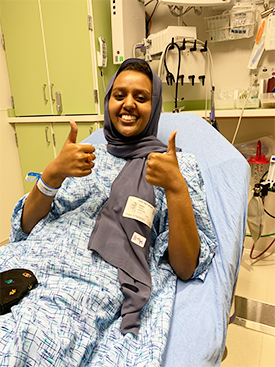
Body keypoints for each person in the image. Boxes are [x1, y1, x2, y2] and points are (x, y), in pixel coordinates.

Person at [1, 58, 217, 365]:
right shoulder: (84, 157)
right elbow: (24, 229)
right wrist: (52, 175)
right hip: (32, 259)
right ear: (108, 102)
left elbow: (185, 266)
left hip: (93, 278)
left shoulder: (174, 166)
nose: (128, 104)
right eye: (119, 95)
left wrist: (176, 189)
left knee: (28, 342)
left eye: (141, 97)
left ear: (153, 106)